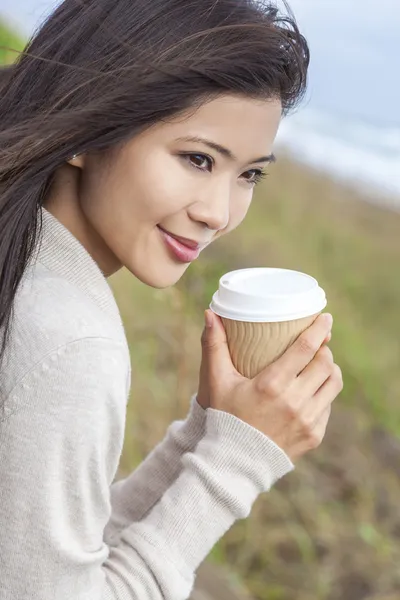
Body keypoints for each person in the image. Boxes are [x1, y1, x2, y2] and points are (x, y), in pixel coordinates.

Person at [0, 1, 343, 599]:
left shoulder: (27, 269)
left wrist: (208, 430)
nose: (219, 213)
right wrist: (237, 464)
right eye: (197, 159)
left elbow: (41, 553)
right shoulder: (69, 340)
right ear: (86, 130)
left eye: (249, 175)